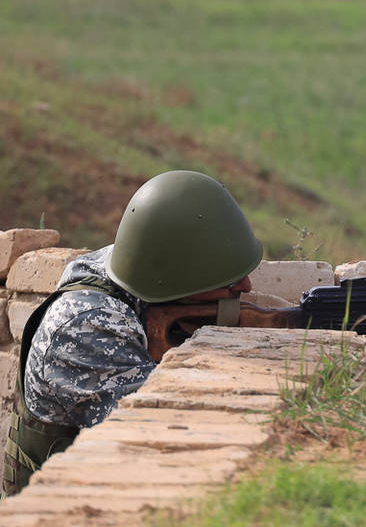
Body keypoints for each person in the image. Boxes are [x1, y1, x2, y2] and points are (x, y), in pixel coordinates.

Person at [2, 170, 263, 497]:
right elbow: (168, 436)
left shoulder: (142, 269)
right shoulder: (86, 325)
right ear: (173, 279)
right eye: (230, 283)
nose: (246, 287)